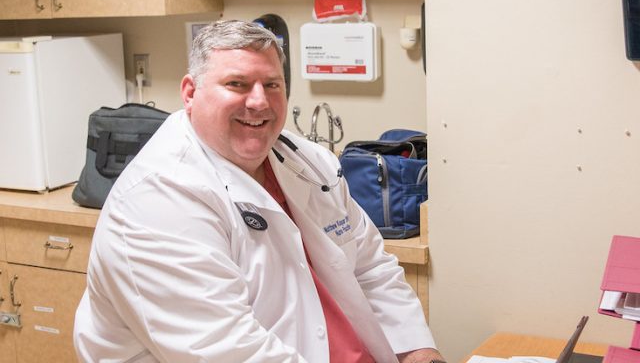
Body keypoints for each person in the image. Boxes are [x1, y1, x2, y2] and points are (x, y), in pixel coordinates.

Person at [74, 20, 445, 363]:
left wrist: (419, 353)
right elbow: (228, 351)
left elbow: (370, 268)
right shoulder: (158, 200)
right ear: (190, 92)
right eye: (237, 84)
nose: (259, 101)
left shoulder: (307, 162)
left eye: (272, 85)